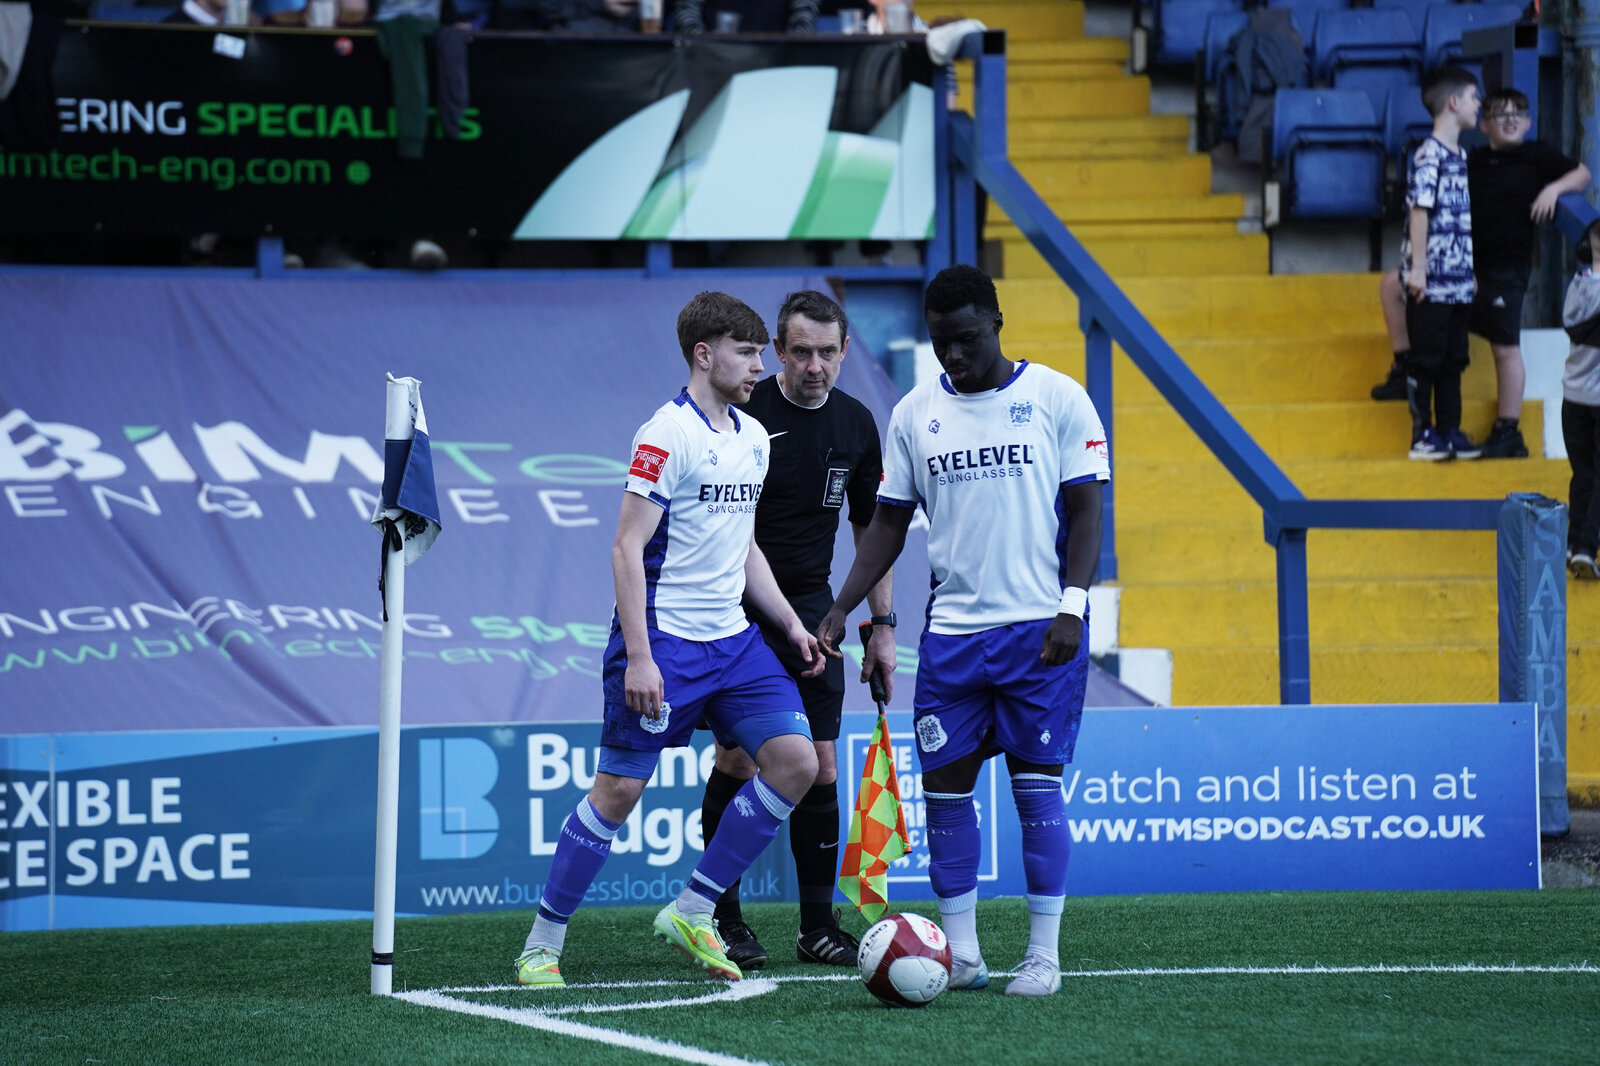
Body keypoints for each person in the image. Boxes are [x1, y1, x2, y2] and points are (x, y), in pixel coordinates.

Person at [512, 292, 824, 987]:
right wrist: (641, 657)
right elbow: (626, 547)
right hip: (665, 643)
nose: (760, 366)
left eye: (761, 353)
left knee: (796, 764)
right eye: (747, 352)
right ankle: (541, 944)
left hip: (735, 643)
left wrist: (788, 623)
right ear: (704, 355)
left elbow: (743, 548)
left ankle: (692, 909)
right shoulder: (665, 434)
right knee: (620, 789)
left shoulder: (753, 438)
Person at [815, 264, 1109, 998]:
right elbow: (888, 522)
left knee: (1035, 791)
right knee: (946, 792)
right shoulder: (915, 413)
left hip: (1039, 631)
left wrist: (1073, 605)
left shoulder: (1058, 398)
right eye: (941, 341)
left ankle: (1043, 956)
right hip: (951, 639)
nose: (954, 355)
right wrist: (844, 605)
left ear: (996, 324)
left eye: (968, 339)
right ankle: (967, 954)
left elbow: (1087, 512)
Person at [698, 290, 897, 972]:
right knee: (740, 760)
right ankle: (720, 917)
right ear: (778, 352)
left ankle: (817, 927)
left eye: (828, 352)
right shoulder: (743, 414)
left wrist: (881, 625)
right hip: (737, 609)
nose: (816, 366)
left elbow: (873, 533)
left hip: (817, 613)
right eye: (802, 351)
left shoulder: (857, 423)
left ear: (845, 352)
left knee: (822, 763)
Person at [1373, 87, 1590, 463]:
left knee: (1504, 345)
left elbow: (1582, 174)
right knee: (1391, 285)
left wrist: (1553, 189)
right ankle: (1403, 365)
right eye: (1499, 114)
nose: (1509, 121)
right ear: (1484, 125)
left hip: (1506, 268)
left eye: (1517, 114)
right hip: (1460, 267)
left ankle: (1508, 429)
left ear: (1529, 122)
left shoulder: (1535, 155)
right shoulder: (1468, 160)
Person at [1398, 67, 1482, 461]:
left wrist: (1468, 271)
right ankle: (1422, 435)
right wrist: (1418, 269)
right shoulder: (1429, 154)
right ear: (1453, 102)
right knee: (1427, 358)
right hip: (1431, 281)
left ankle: (1449, 430)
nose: (1478, 105)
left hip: (1458, 281)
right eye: (1473, 97)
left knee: (1454, 358)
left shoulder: (1460, 155)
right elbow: (1420, 211)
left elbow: (1458, 218)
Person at [1562, 220, 1600, 580]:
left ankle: (1573, 543)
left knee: (1583, 474)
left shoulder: (1576, 286)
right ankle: (1587, 546)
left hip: (1572, 397)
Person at [671, 0, 815, 34]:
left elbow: (804, 22)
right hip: (710, 59)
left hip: (772, 60)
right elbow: (686, 13)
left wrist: (790, 52)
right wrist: (702, 43)